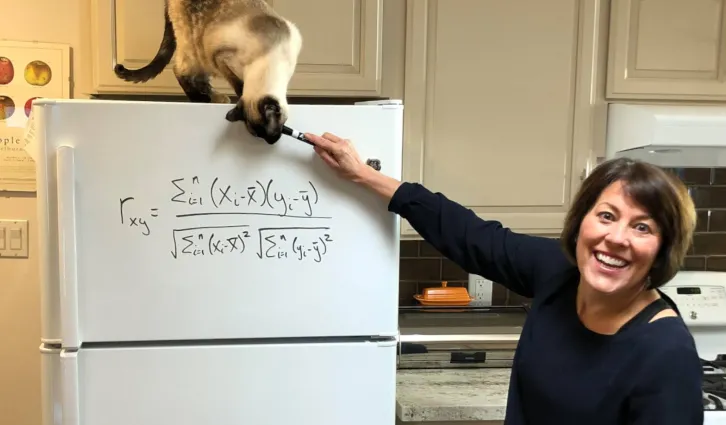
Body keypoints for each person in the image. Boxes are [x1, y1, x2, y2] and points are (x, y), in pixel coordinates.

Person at [304, 131, 704, 425]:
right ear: (581, 220)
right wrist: (361, 175)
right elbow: (470, 235)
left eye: (643, 228)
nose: (616, 239)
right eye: (607, 216)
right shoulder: (559, 273)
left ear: (663, 249)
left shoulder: (665, 353)